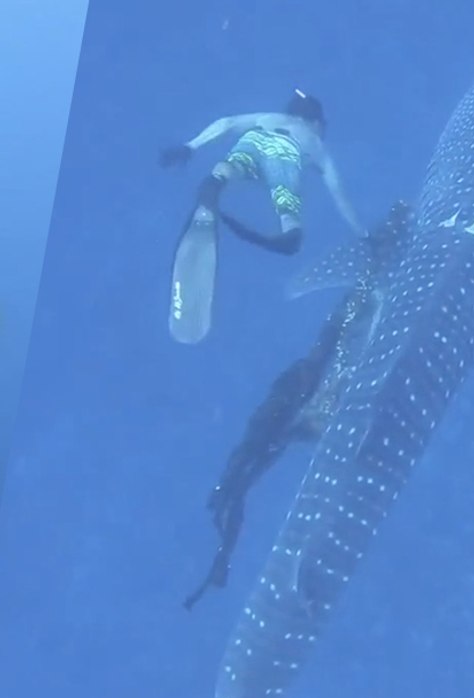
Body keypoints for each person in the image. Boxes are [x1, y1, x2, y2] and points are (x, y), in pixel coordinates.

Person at [182, 200, 411, 611]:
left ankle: (224, 549)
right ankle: (225, 550)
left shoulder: (372, 272)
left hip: (315, 378)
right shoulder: (385, 280)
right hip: (327, 384)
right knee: (252, 461)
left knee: (251, 458)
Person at [160, 90, 365, 345]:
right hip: (286, 153)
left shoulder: (270, 117)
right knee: (286, 200)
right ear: (315, 122)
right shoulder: (315, 141)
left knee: (230, 167)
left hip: (255, 140)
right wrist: (362, 234)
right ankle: (289, 234)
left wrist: (191, 146)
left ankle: (215, 183)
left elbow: (226, 123)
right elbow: (339, 194)